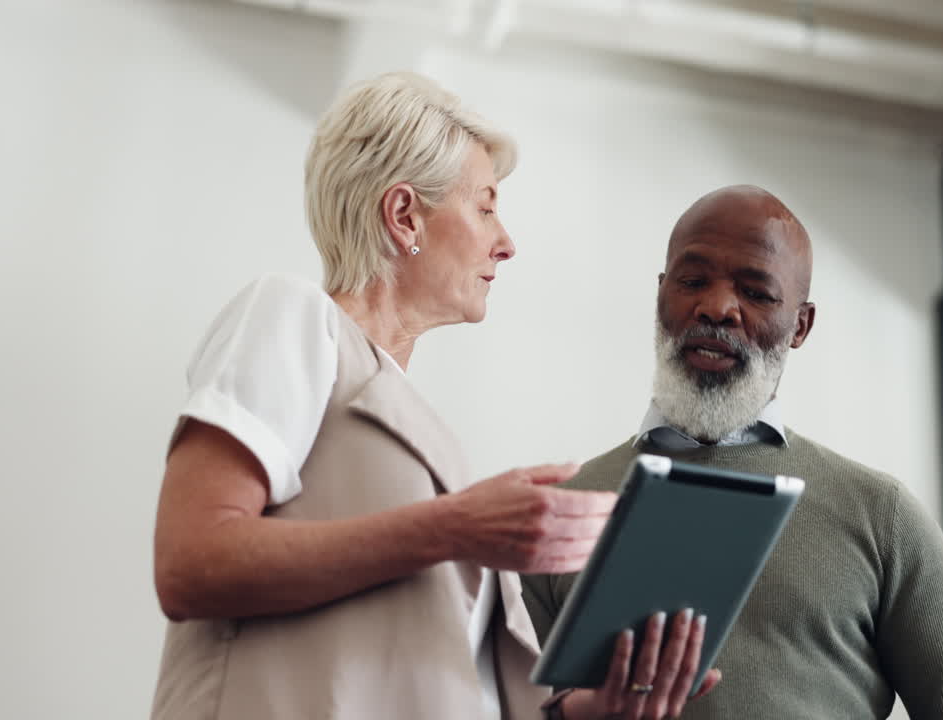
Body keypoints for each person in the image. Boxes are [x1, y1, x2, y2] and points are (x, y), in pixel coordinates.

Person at [150, 72, 711, 720]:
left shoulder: (417, 426)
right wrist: (454, 527)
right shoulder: (292, 313)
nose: (506, 243)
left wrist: (597, 709)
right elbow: (191, 562)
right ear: (404, 214)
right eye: (486, 205)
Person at [523, 185, 943, 720]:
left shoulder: (880, 513)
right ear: (660, 295)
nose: (716, 307)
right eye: (693, 282)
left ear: (800, 326)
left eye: (757, 293)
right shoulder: (556, 513)